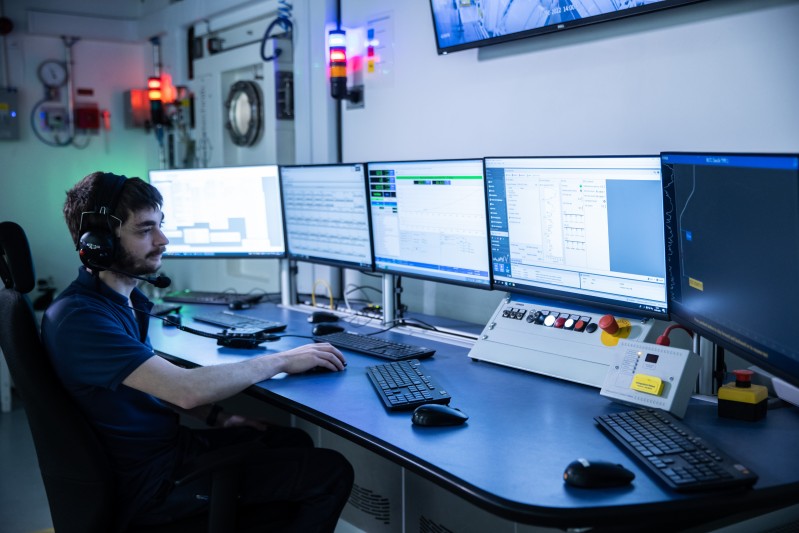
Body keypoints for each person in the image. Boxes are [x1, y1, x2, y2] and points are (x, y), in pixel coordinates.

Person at [41, 171, 354, 531]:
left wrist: (220, 418)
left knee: (288, 438)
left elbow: (150, 382)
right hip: (150, 485)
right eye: (145, 230)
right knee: (330, 473)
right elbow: (183, 390)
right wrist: (282, 360)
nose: (163, 240)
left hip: (165, 453)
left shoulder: (122, 301)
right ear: (100, 242)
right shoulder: (80, 319)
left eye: (160, 225)